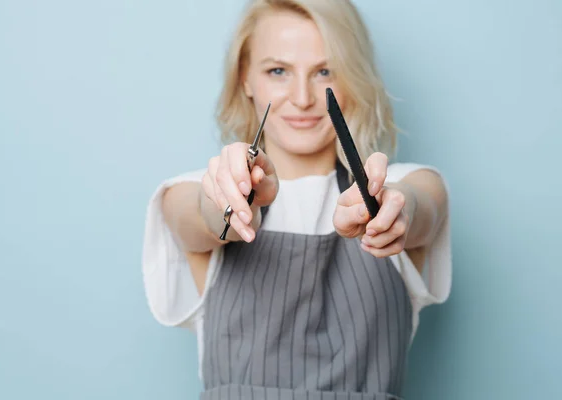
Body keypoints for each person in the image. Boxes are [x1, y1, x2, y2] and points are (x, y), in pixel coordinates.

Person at [142, 0, 451, 398]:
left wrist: (391, 208)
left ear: (353, 78)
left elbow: (419, 206)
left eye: (325, 71)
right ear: (246, 79)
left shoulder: (410, 183)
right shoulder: (187, 191)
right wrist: (229, 199)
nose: (303, 98)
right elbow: (198, 218)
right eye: (278, 71)